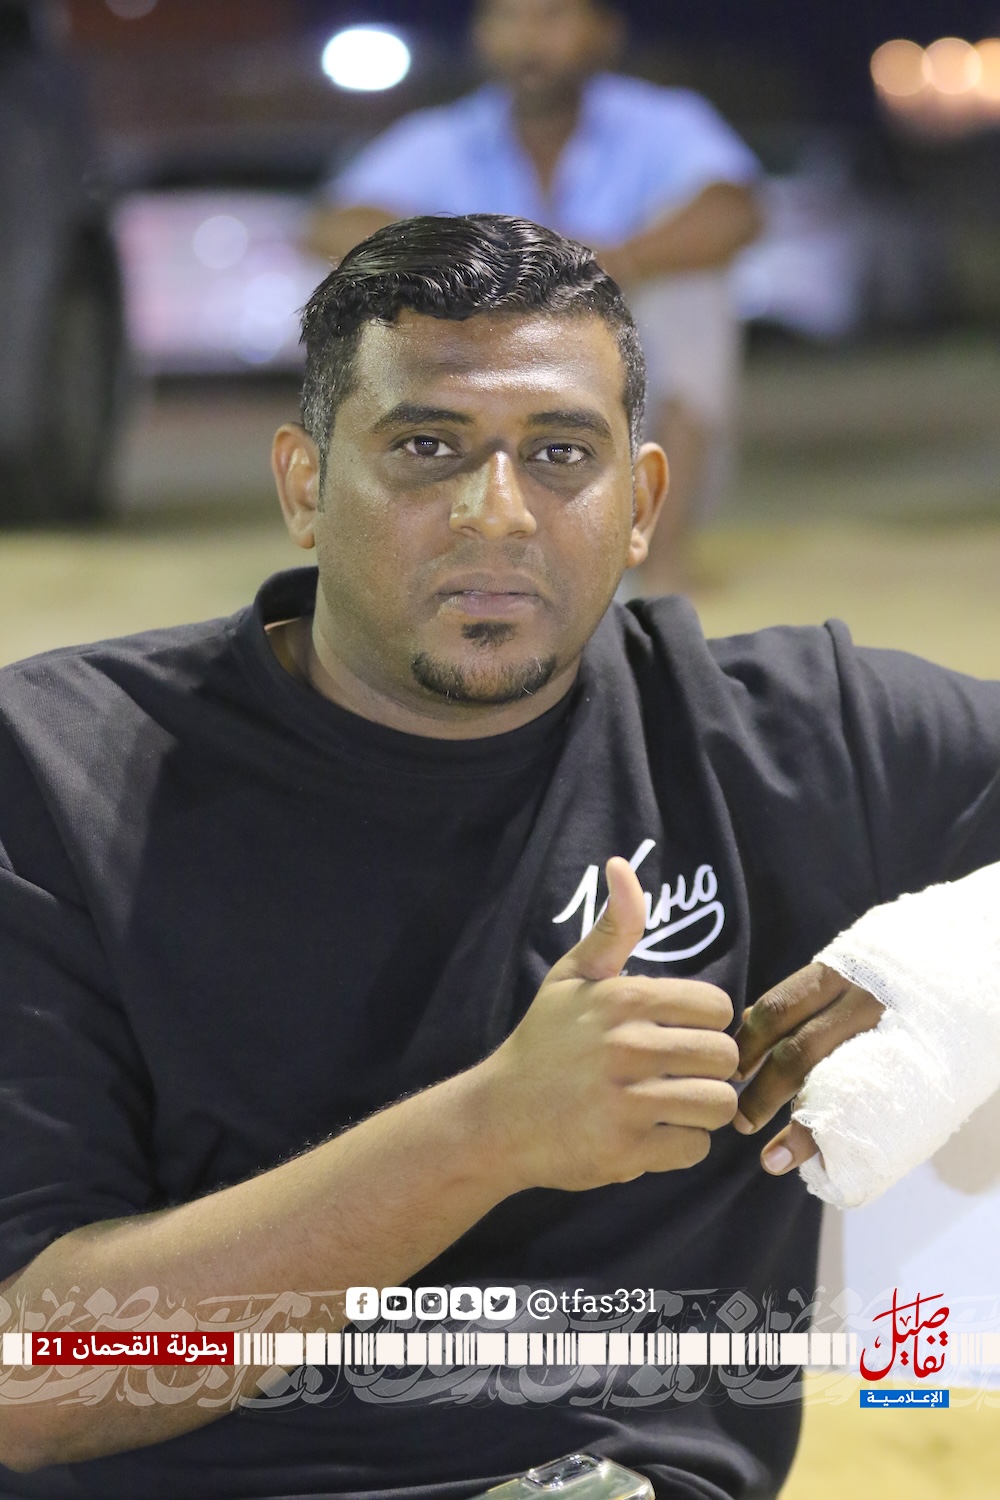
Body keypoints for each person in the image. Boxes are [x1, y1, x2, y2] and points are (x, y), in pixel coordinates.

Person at [0, 215, 997, 1500]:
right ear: (304, 486)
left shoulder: (800, 744)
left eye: (559, 454)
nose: (498, 514)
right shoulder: (60, 771)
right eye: (426, 447)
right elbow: (38, 1384)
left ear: (640, 506)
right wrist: (486, 1133)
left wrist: (958, 962)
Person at [306, 0, 762, 593]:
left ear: (604, 33)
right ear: (480, 35)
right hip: (479, 383)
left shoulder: (662, 122)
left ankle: (659, 558)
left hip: (620, 395)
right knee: (375, 291)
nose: (527, 40)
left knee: (692, 292)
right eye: (508, 19)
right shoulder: (445, 135)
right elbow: (333, 225)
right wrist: (482, 268)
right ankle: (409, 537)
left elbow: (734, 212)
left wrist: (595, 268)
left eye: (551, 18)